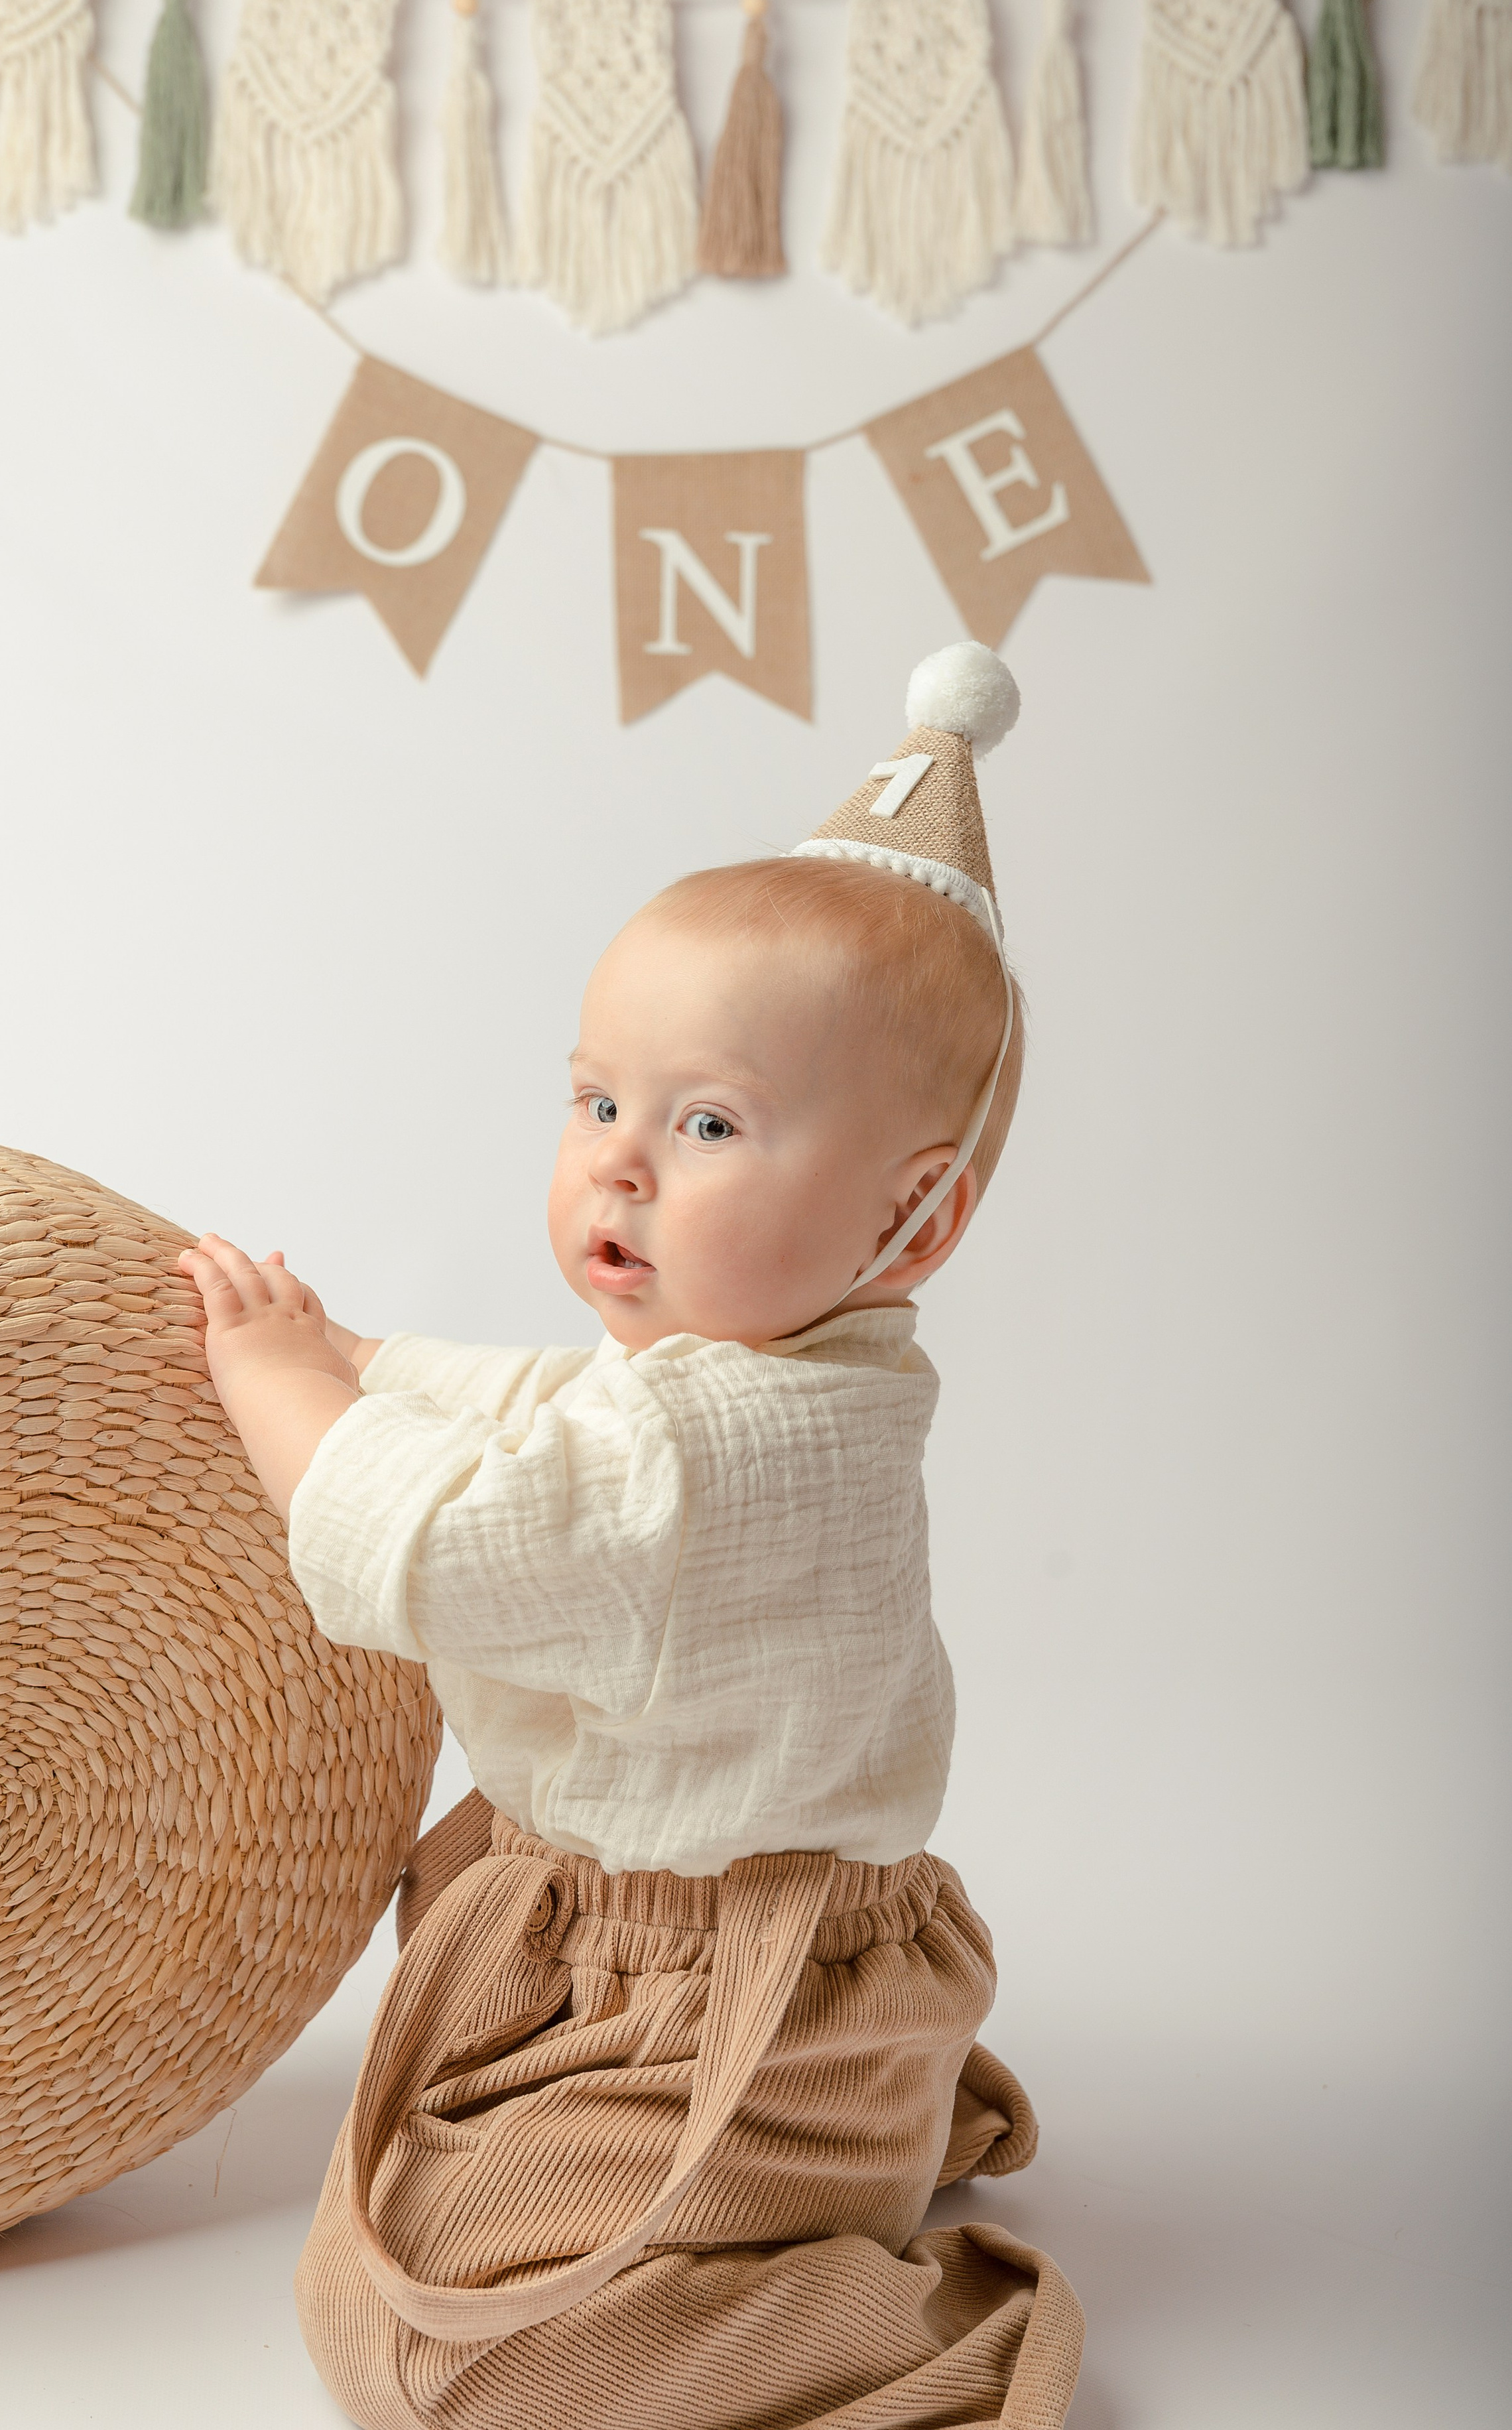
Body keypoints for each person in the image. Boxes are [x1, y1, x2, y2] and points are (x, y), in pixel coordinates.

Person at [178, 643, 1084, 2429]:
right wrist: (367, 1358)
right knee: (408, 2227)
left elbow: (440, 1541)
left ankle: (897, 2316)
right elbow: (547, 1411)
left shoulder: (707, 1452)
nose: (618, 1163)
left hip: (703, 2007)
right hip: (750, 1952)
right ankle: (867, 2126)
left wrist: (283, 1382)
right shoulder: (798, 1375)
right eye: (596, 1100)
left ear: (913, 1218)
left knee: (437, 2344)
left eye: (708, 1122)